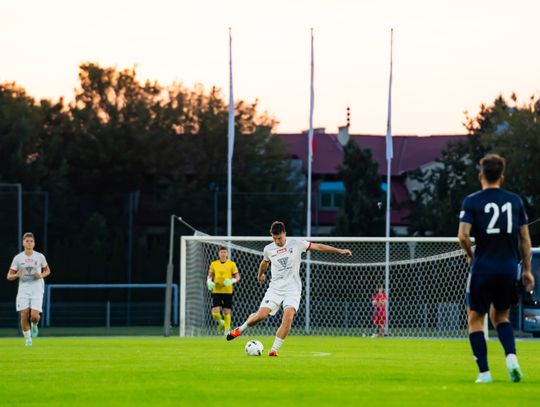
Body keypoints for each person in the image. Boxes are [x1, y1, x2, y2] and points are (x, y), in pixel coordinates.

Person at [458, 153, 535, 383]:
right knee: (501, 316)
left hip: (482, 267)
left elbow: (462, 236)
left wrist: (470, 255)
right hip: (508, 269)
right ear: (502, 176)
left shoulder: (471, 201)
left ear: (480, 175)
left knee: (475, 318)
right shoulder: (515, 201)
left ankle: (484, 373)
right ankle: (511, 358)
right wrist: (527, 270)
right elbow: (525, 239)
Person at [226, 221, 352, 356]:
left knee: (288, 317)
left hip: (293, 289)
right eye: (274, 238)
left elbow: (318, 246)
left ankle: (273, 350)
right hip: (275, 288)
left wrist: (340, 251)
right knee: (260, 316)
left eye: (279, 238)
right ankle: (240, 329)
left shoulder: (297, 243)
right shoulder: (268, 249)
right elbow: (264, 262)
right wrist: (260, 274)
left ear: (284, 233)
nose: (277, 241)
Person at [6, 232, 51, 346]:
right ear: (23, 243)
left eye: (31, 241)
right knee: (24, 314)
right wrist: (16, 275)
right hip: (24, 289)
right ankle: (28, 339)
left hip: (37, 288)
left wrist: (41, 275)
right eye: (27, 241)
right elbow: (9, 276)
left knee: (34, 316)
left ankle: (34, 325)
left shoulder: (40, 256)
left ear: (34, 243)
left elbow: (47, 271)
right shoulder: (18, 258)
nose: (29, 243)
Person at [207, 246, 240, 334]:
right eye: (221, 252)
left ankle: (227, 330)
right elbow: (210, 275)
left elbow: (237, 277)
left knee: (226, 311)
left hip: (227, 291)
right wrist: (209, 281)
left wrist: (232, 281)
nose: (223, 254)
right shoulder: (214, 264)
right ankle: (222, 323)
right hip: (216, 290)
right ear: (219, 254)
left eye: (224, 252)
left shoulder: (231, 264)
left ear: (227, 254)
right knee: (215, 312)